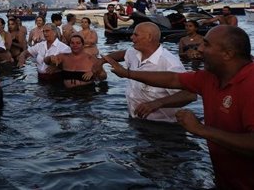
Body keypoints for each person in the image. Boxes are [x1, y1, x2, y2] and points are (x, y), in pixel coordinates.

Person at [104, 26, 253, 190]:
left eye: (206, 44)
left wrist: (201, 130)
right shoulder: (209, 78)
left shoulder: (250, 84)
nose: (200, 49)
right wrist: (128, 74)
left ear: (228, 53)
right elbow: (174, 79)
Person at [101, 22, 196, 122]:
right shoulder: (134, 52)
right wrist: (101, 61)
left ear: (149, 37)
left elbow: (190, 95)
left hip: (163, 126)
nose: (131, 37)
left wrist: (157, 103)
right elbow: (123, 54)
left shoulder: (170, 64)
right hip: (136, 120)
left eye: (136, 35)